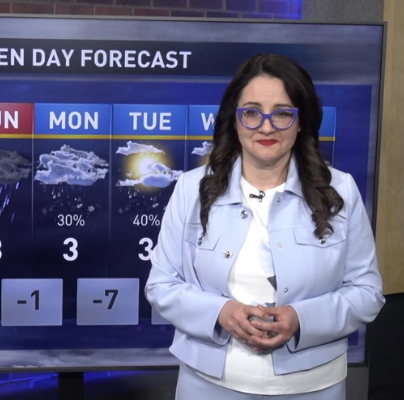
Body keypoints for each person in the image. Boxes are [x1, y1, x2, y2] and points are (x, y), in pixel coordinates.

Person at [145, 53, 385, 399]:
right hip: (208, 384)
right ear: (235, 119)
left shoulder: (340, 190)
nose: (267, 127)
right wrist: (221, 313)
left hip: (313, 386)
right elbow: (161, 285)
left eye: (283, 113)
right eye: (252, 112)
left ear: (301, 122)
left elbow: (367, 293)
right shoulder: (192, 188)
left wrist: (301, 319)